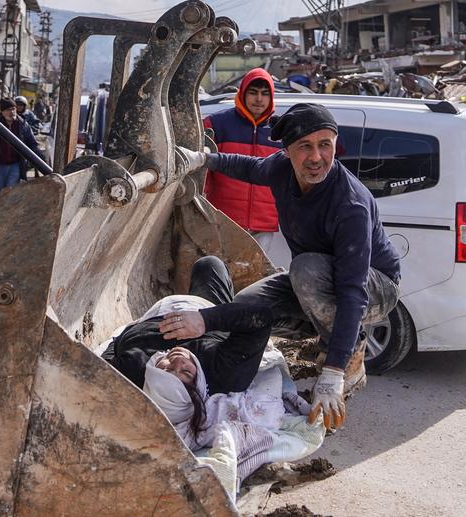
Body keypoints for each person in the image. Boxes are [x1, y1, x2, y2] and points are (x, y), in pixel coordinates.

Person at [178, 103, 401, 431]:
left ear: (335, 146)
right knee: (245, 308)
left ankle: (348, 350)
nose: (316, 157)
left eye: (325, 145)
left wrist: (334, 372)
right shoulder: (281, 170)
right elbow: (249, 168)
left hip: (375, 286)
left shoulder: (350, 205)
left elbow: (353, 291)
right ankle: (318, 336)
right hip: (317, 279)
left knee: (305, 268)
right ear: (287, 151)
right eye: (305, 147)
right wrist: (204, 160)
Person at [101, 255, 272, 397]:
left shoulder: (135, 368)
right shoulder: (224, 373)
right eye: (186, 372)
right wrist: (205, 320)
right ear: (199, 384)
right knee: (210, 264)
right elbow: (262, 317)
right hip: (202, 308)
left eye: (166, 370)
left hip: (158, 312)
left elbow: (111, 350)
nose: (177, 361)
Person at [204, 68, 288, 266]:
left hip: (263, 224)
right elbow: (202, 175)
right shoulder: (216, 124)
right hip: (224, 222)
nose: (259, 99)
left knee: (252, 279)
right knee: (221, 277)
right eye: (253, 92)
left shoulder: (281, 131)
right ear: (242, 93)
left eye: (265, 93)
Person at [0, 97, 47, 195]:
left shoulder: (22, 124)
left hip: (15, 165)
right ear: (2, 112)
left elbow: (32, 144)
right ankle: (1, 210)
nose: (11, 112)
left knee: (11, 192)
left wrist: (42, 160)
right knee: (0, 192)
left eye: (13, 109)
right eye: (8, 110)